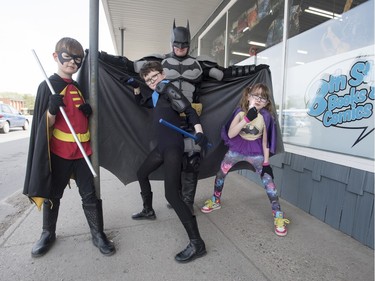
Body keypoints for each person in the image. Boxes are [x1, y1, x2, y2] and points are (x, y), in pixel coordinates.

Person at [126, 20, 267, 214]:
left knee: (192, 160)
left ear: (189, 44)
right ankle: (173, 198)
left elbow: (224, 74)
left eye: (184, 44)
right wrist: (103, 59)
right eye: (177, 44)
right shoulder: (159, 64)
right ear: (171, 43)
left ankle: (186, 203)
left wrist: (253, 69)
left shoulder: (199, 64)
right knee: (171, 160)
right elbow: (131, 66)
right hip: (169, 120)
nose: (181, 48)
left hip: (192, 119)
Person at [23, 37, 116, 257]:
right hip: (60, 153)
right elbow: (42, 125)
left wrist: (87, 112)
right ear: (56, 56)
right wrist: (52, 110)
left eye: (77, 59)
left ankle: (97, 234)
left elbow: (83, 119)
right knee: (53, 195)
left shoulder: (79, 87)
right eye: (67, 57)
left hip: (83, 153)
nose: (72, 62)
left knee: (90, 195)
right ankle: (47, 233)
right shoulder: (47, 86)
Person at [127, 61, 208, 263]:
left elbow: (189, 111)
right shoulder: (157, 94)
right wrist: (136, 87)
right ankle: (148, 209)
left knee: (172, 195)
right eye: (148, 80)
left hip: (172, 148)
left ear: (163, 74)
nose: (153, 81)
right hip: (161, 148)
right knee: (141, 173)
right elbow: (143, 103)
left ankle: (197, 243)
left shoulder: (169, 88)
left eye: (155, 76)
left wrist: (199, 132)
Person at [200, 83, 290, 237]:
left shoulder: (267, 117)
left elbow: (265, 142)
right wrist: (247, 118)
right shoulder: (240, 113)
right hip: (237, 148)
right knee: (221, 173)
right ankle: (216, 200)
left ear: (267, 102)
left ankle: (278, 215)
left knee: (269, 181)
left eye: (263, 97)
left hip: (256, 151)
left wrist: (266, 163)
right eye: (256, 95)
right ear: (248, 97)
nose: (259, 99)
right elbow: (231, 134)